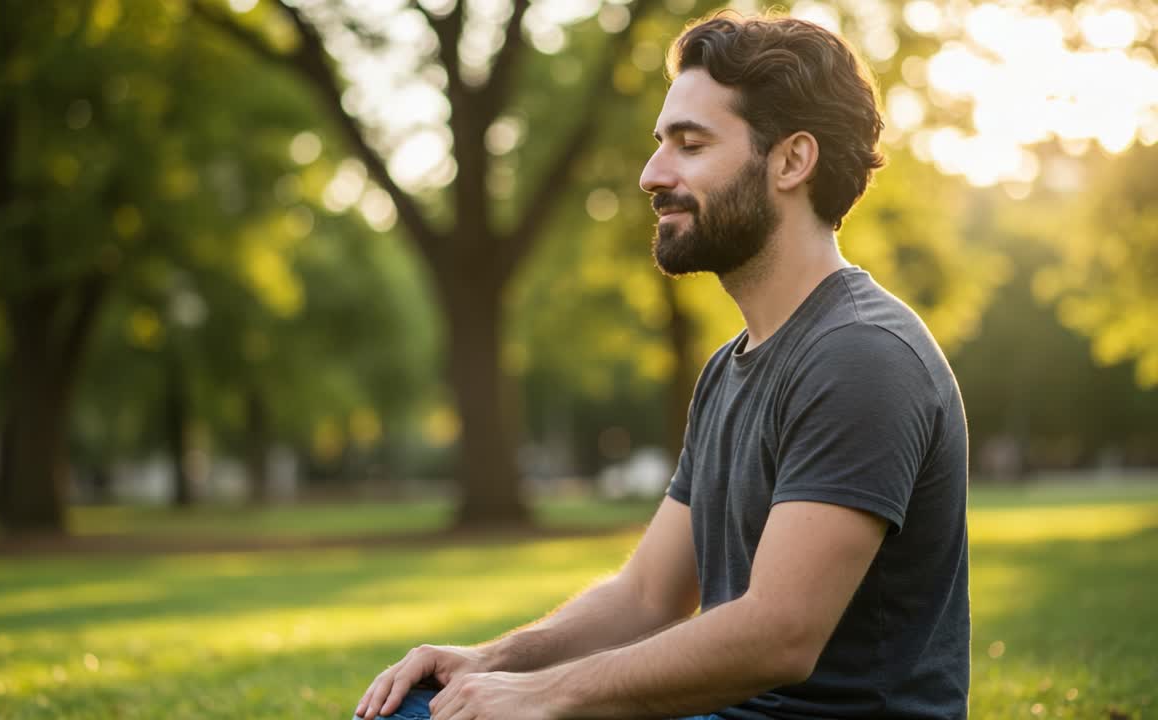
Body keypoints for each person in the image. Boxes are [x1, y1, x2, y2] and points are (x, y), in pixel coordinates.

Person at [354, 11, 969, 720]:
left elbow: (780, 634)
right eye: (660, 144)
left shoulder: (862, 355)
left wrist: (547, 694)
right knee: (416, 708)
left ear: (792, 161)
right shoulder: (731, 369)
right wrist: (493, 661)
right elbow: (648, 595)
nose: (652, 174)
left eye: (690, 144)